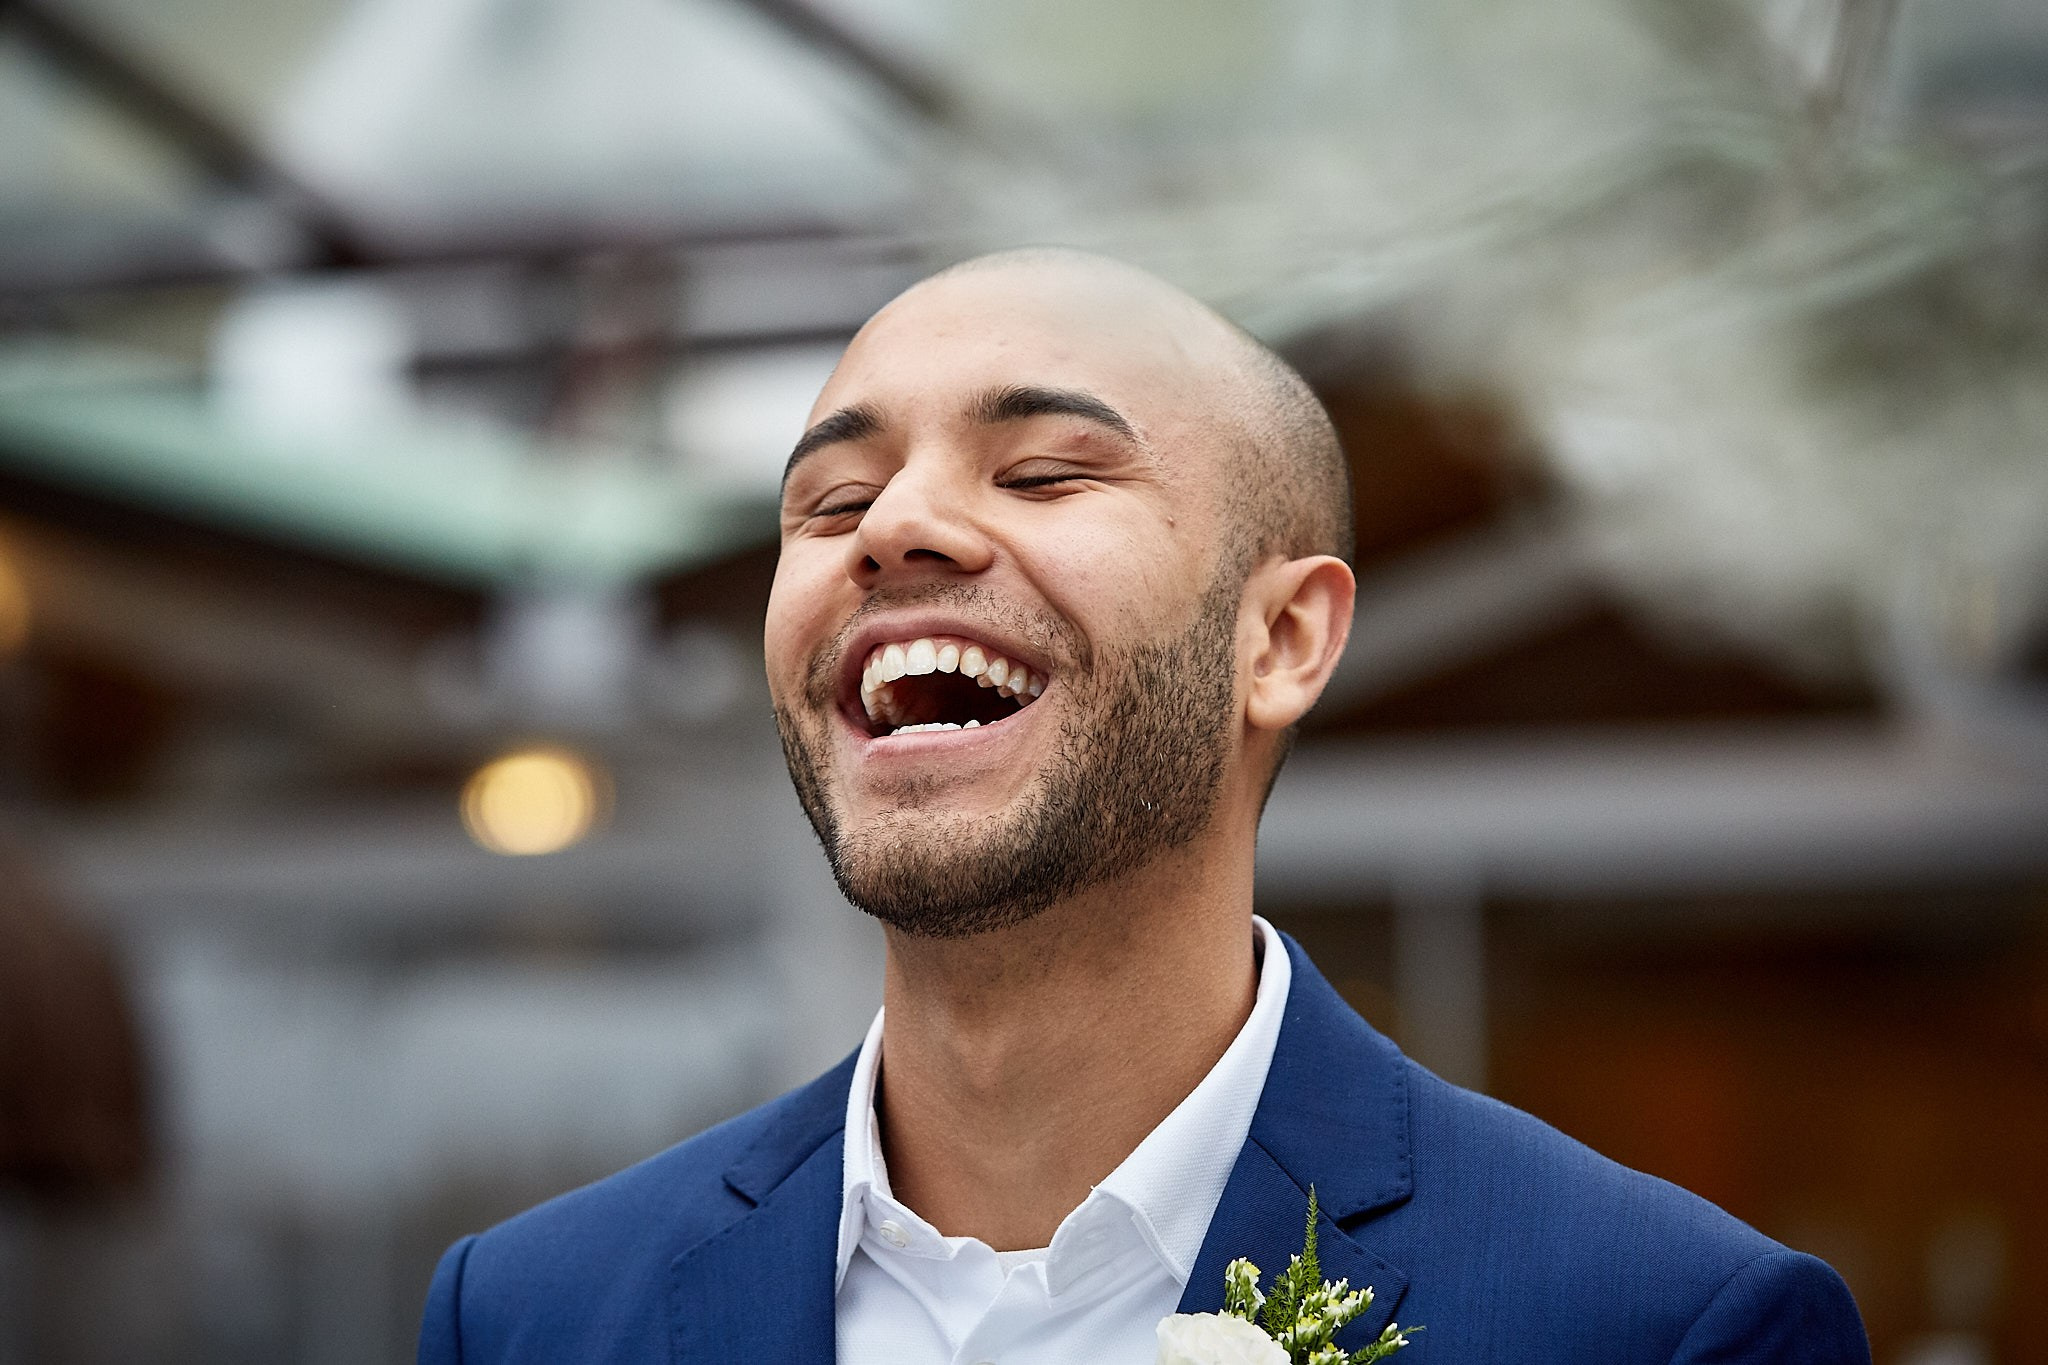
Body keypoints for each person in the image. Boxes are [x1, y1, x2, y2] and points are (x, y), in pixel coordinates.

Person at [417, 250, 1871, 1364]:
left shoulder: (1655, 1325)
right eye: (829, 501)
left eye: (1044, 470)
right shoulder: (533, 1314)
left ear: (1284, 638)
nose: (895, 529)